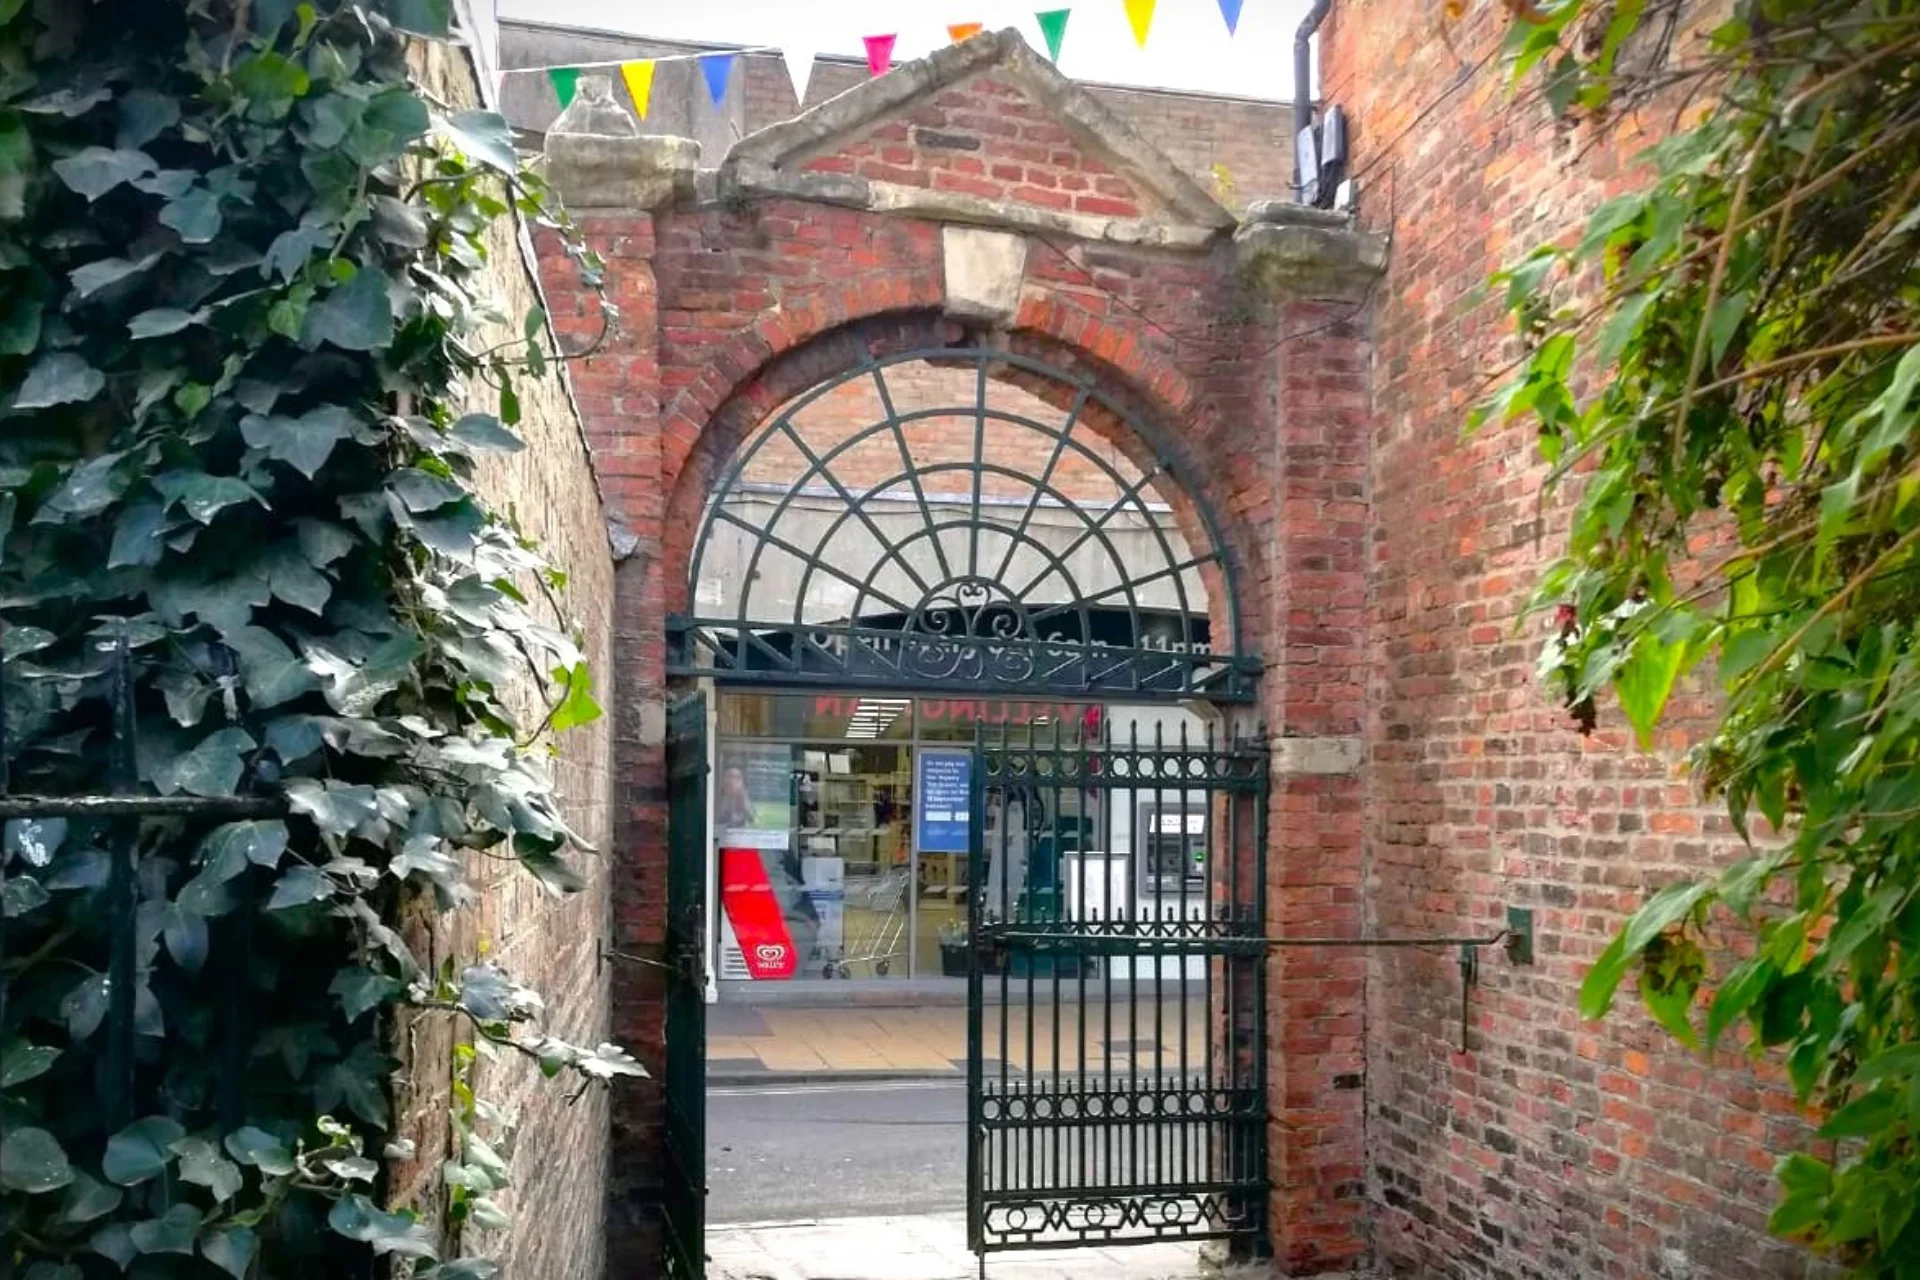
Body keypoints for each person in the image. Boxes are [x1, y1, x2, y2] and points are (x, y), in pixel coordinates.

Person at [717, 763, 754, 830]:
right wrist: (727, 795)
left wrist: (743, 799)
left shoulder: (743, 797)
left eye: (738, 778)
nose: (732, 781)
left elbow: (753, 820)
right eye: (730, 777)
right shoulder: (717, 798)